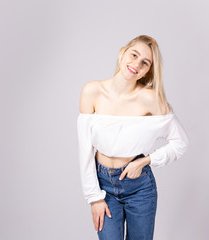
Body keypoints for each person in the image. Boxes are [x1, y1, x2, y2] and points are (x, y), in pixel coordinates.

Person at [77, 35, 190, 240]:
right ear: (122, 52)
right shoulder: (92, 91)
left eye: (144, 63)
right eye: (134, 55)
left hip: (139, 187)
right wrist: (94, 198)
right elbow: (85, 149)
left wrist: (147, 161)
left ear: (148, 70)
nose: (136, 64)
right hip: (104, 185)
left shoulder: (150, 99)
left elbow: (180, 142)